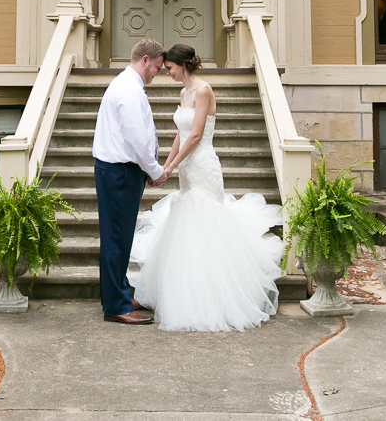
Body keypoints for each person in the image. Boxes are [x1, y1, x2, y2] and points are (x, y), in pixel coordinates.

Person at [128, 43, 284, 332]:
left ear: (182, 65)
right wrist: (166, 164)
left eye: (170, 68)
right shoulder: (183, 92)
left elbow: (197, 134)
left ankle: (213, 296)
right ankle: (185, 290)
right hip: (186, 167)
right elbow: (181, 133)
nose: (168, 73)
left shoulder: (203, 91)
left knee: (206, 222)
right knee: (187, 224)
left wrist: (172, 167)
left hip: (202, 165)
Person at [93, 38, 169, 324]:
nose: (158, 73)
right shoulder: (129, 90)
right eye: (157, 67)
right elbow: (136, 138)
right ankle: (116, 306)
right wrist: (153, 170)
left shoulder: (127, 85)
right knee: (116, 238)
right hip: (119, 172)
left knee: (120, 237)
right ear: (145, 60)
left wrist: (145, 169)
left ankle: (120, 293)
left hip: (121, 171)